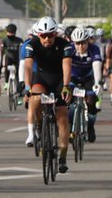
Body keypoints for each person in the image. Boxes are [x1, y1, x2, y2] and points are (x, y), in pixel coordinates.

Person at [21, 16, 73, 172]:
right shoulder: (32, 45)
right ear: (38, 35)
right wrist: (27, 87)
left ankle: (63, 157)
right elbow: (28, 68)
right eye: (43, 35)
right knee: (35, 98)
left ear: (55, 34)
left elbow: (67, 66)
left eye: (50, 35)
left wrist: (66, 86)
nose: (47, 39)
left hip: (58, 80)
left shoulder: (65, 45)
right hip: (41, 78)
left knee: (62, 117)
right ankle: (38, 126)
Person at [67, 27, 103, 142]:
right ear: (73, 43)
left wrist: (97, 83)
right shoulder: (69, 49)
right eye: (77, 44)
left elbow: (97, 66)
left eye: (83, 43)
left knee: (91, 100)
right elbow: (65, 66)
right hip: (73, 78)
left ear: (87, 41)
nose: (80, 47)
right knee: (68, 100)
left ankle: (90, 126)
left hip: (88, 79)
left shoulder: (94, 49)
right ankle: (70, 127)